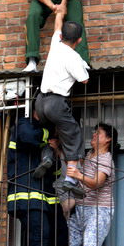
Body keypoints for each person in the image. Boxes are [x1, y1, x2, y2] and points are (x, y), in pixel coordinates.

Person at [7, 110, 69, 246]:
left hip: (47, 196)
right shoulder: (23, 124)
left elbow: (55, 172)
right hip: (27, 194)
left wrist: (54, 151)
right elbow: (28, 137)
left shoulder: (45, 141)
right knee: (40, 236)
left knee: (60, 234)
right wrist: (49, 136)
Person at [35, 12, 89, 198]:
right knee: (73, 134)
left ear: (62, 35)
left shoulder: (55, 44)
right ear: (79, 40)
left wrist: (59, 12)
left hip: (40, 102)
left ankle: (48, 156)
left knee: (52, 133)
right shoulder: (73, 57)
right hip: (56, 102)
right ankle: (71, 179)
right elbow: (84, 80)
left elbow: (57, 25)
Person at [66, 122, 118, 246]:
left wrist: (78, 175)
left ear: (108, 139)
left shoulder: (105, 159)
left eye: (99, 133)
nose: (94, 135)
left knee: (90, 245)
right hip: (81, 209)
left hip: (99, 210)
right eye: (94, 132)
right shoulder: (89, 154)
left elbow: (97, 182)